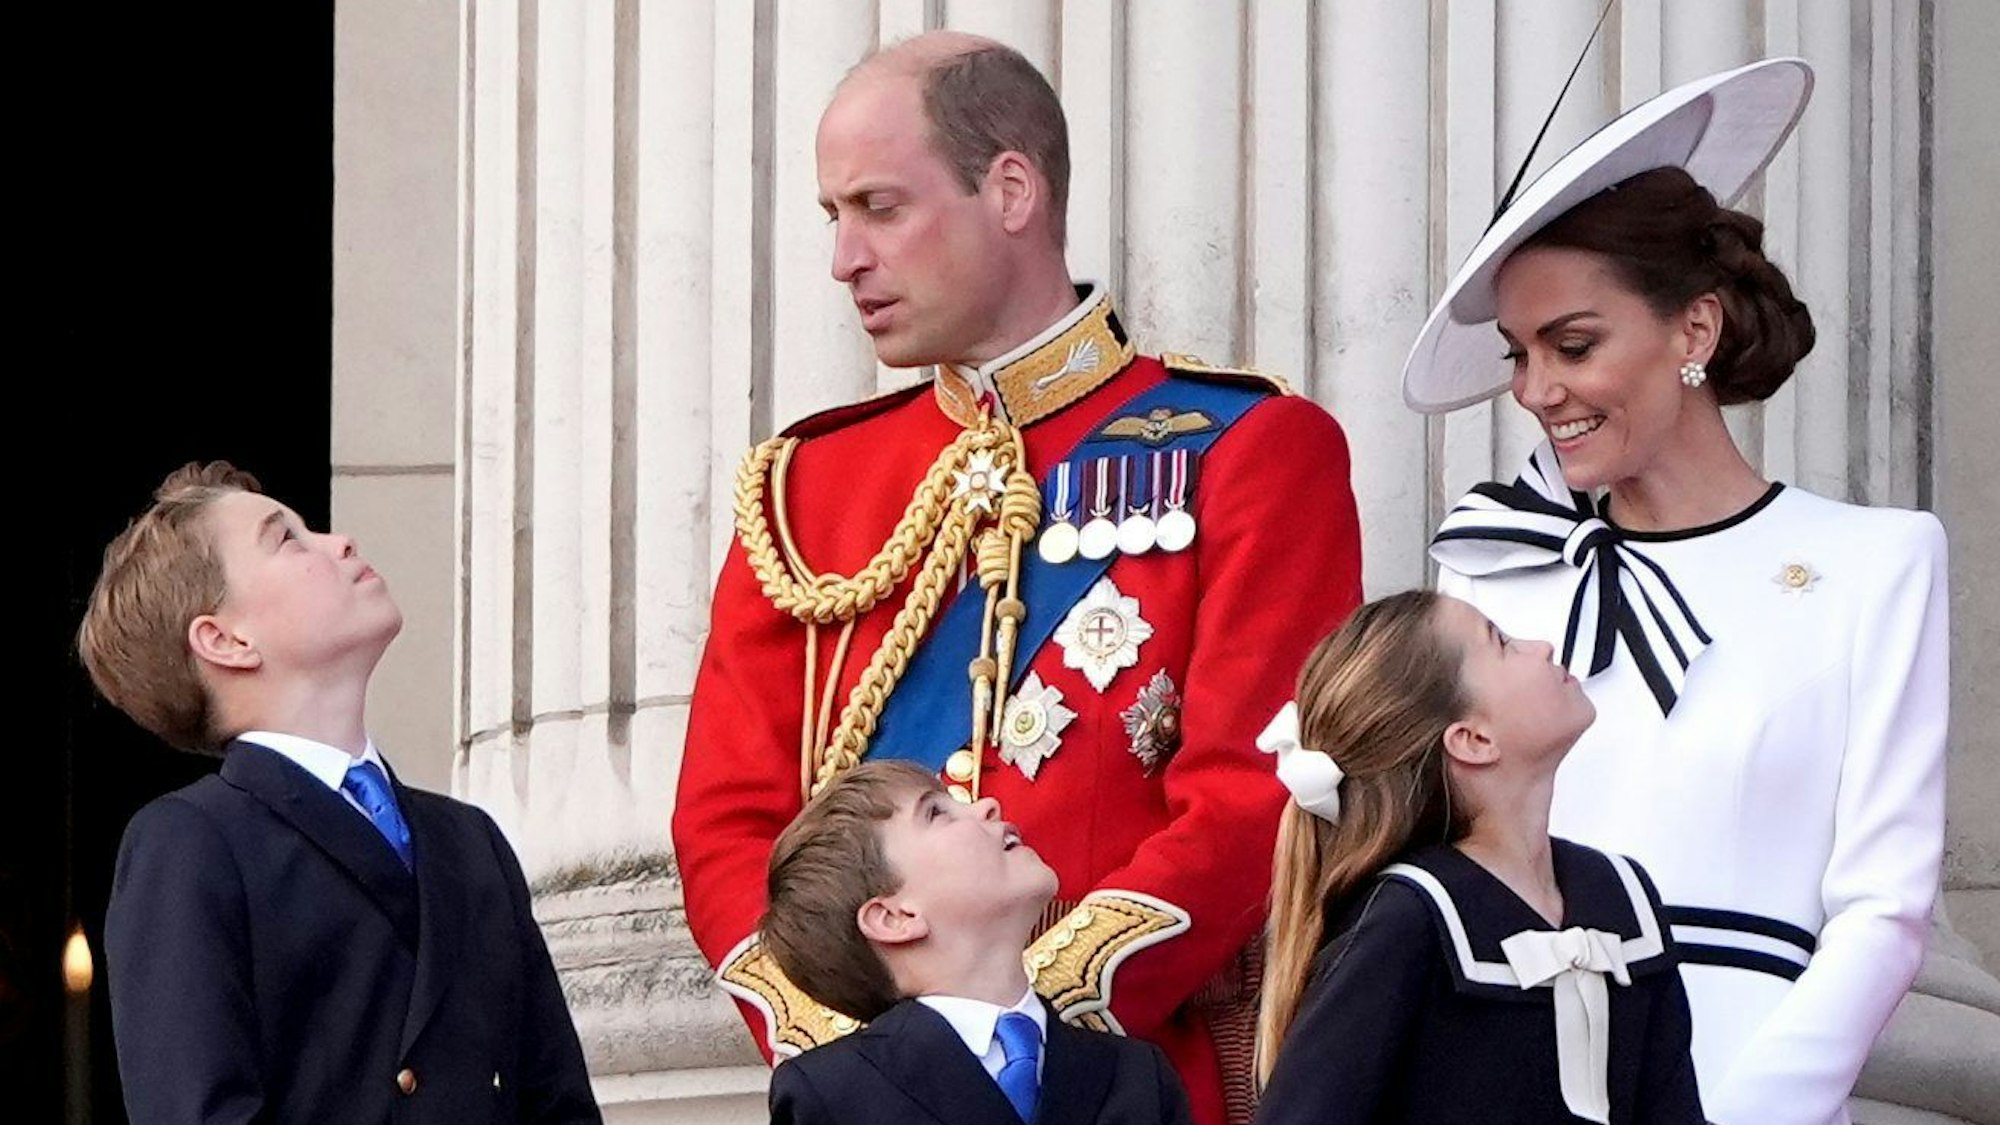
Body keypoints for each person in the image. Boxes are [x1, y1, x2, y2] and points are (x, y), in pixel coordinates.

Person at [672, 31, 1362, 1125]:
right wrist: (882, 1057)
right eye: (831, 217)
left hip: (1126, 1092)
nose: (844, 258)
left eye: (878, 208)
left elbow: (1248, 796)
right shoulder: (808, 488)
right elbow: (728, 823)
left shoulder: (1250, 448)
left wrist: (1015, 1023)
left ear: (1009, 190)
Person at [1404, 59, 1948, 1125]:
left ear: (1690, 333)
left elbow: (1882, 908)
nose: (1533, 389)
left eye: (1572, 345)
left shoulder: (1877, 561)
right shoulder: (1489, 567)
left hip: (1752, 1076)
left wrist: (1744, 1116)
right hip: (1514, 1075)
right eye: (1519, 355)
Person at [78, 462, 600, 1125]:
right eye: (287, 538)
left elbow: (558, 1105)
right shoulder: (191, 842)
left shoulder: (472, 842)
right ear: (226, 639)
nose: (341, 541)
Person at [1250, 591, 1702, 1124]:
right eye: (1504, 644)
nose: (1542, 646)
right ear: (1472, 739)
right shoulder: (1408, 919)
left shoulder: (1619, 897)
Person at [760, 760, 1193, 1125]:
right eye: (936, 813)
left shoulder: (1137, 1076)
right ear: (895, 917)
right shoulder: (833, 1093)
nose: (987, 805)